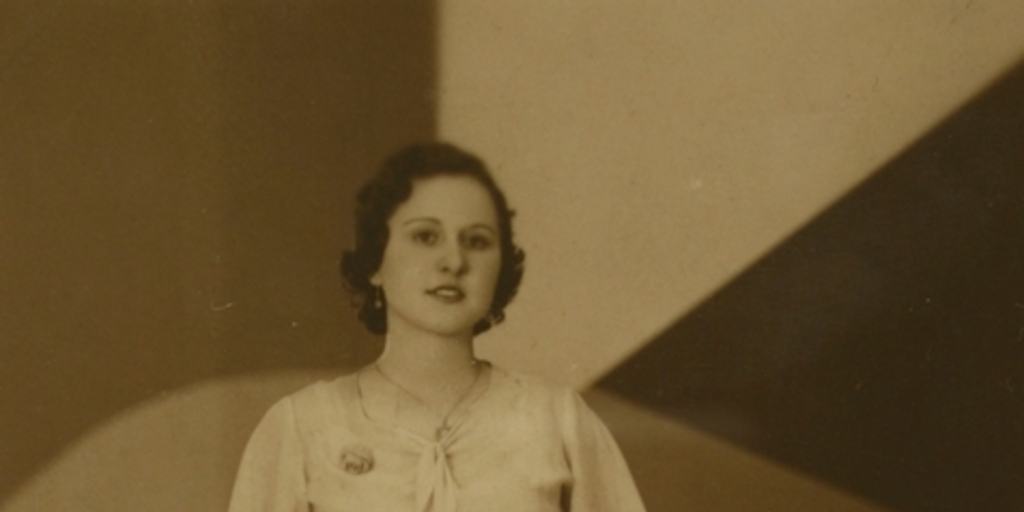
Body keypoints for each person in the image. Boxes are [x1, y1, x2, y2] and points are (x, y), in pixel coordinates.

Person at [227, 143, 647, 512]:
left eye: (477, 241)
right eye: (426, 237)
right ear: (375, 261)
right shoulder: (302, 426)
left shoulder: (558, 421)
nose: (454, 262)